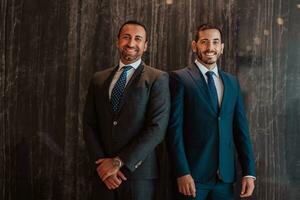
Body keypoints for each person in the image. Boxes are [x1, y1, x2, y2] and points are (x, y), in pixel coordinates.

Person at [167, 24, 256, 200]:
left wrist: (249, 173)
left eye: (215, 42)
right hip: (192, 178)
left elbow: (241, 131)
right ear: (195, 45)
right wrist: (182, 172)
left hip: (225, 179)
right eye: (204, 42)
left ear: (221, 47)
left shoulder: (232, 82)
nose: (210, 48)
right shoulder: (179, 78)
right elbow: (173, 131)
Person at [83, 20, 170, 200]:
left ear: (145, 46)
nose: (131, 43)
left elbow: (157, 129)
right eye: (126, 37)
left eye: (138, 39)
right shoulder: (98, 79)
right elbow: (89, 125)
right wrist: (103, 166)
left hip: (138, 177)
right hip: (103, 176)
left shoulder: (157, 79)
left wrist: (118, 162)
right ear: (117, 41)